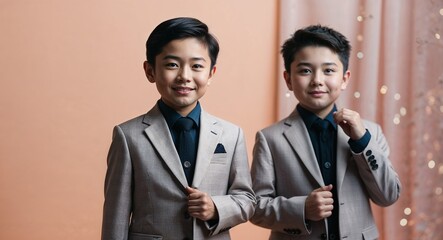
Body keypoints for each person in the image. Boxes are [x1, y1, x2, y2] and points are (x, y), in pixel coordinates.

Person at [101, 17, 255, 240]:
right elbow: (116, 217)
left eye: (196, 66)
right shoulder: (128, 136)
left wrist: (216, 207)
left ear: (211, 73)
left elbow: (247, 200)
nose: (184, 76)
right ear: (150, 71)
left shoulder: (231, 135)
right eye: (172, 64)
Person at [249, 25, 401, 240]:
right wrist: (302, 208)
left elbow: (388, 195)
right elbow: (255, 208)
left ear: (345, 78)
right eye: (305, 70)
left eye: (329, 70)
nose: (317, 80)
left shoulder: (370, 132)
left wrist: (362, 141)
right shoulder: (270, 138)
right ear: (288, 79)